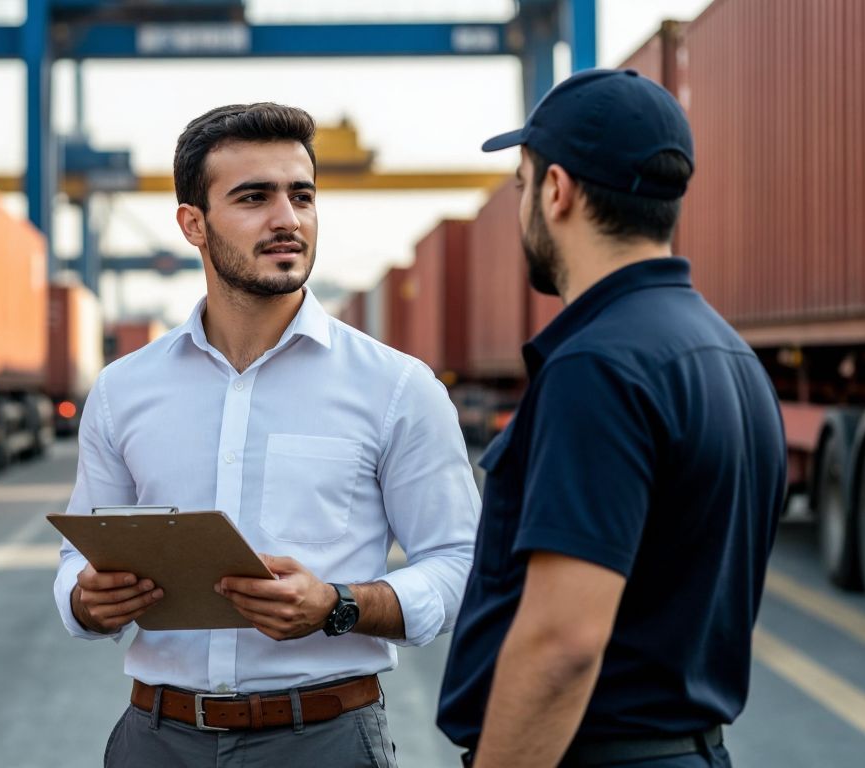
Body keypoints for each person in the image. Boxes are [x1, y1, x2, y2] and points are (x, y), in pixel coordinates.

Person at [53, 102, 481, 767]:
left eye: (301, 197)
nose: (287, 219)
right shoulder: (124, 390)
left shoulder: (397, 387)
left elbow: (463, 564)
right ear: (192, 224)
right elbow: (77, 559)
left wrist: (338, 606)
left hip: (325, 739)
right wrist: (87, 600)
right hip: (156, 739)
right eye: (254, 197)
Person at [437, 69, 787, 768]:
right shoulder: (728, 355)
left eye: (521, 185)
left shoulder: (595, 367)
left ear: (557, 191)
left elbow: (562, 643)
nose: (522, 206)